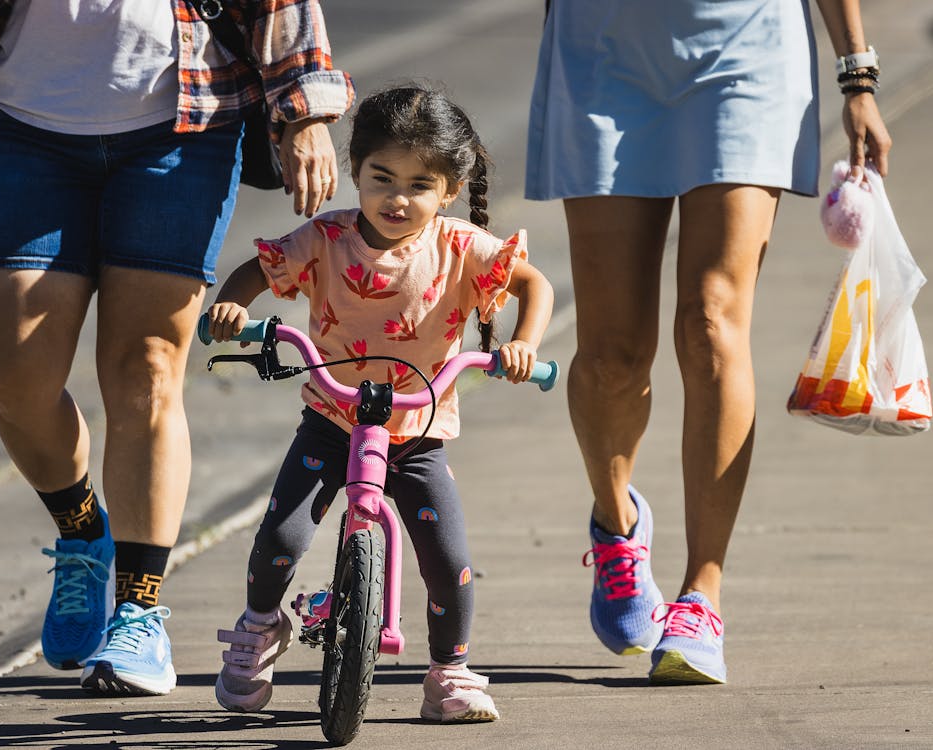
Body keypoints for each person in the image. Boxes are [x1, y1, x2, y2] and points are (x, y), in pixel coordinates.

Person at [0, 0, 354, 696]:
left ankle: (140, 611)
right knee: (13, 377)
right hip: (34, 125)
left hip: (182, 128)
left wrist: (304, 114)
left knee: (146, 368)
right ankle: (82, 530)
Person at [526, 0, 892, 684]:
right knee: (610, 353)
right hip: (603, 48)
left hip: (747, 44)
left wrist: (857, 76)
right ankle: (616, 527)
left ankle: (701, 595)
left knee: (709, 319)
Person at [204, 85, 554, 721]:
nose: (398, 198)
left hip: (417, 430)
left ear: (448, 190)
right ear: (354, 171)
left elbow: (534, 285)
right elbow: (261, 270)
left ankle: (450, 672)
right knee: (280, 536)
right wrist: (235, 305)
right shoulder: (327, 238)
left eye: (420, 184)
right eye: (382, 178)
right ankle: (259, 629)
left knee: (449, 561)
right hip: (333, 420)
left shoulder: (459, 244)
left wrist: (523, 344)